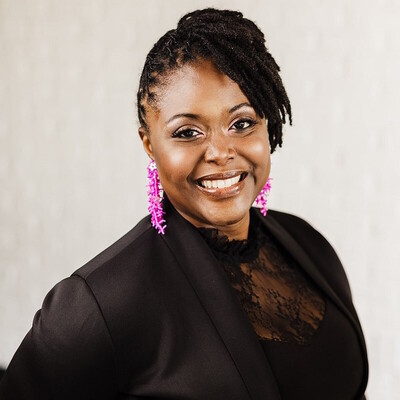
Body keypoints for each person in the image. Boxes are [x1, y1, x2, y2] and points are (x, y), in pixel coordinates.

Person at [0, 8, 368, 400]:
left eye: (242, 123)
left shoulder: (309, 245)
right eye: (188, 132)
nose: (221, 152)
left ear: (267, 125)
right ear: (149, 144)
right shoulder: (99, 302)